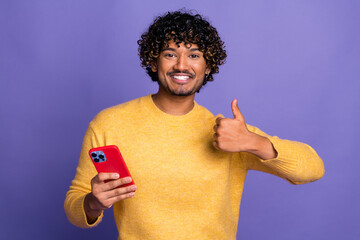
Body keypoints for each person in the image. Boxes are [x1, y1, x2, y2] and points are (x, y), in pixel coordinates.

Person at [64, 10, 325, 240]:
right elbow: (75, 204)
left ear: (207, 66)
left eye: (194, 55)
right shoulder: (110, 123)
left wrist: (254, 143)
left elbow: (312, 169)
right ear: (154, 62)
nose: (181, 65)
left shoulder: (229, 133)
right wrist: (92, 204)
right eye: (170, 54)